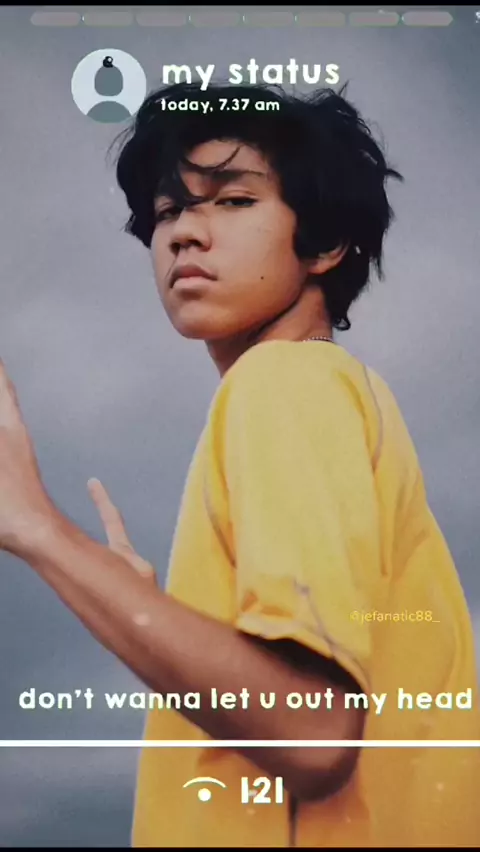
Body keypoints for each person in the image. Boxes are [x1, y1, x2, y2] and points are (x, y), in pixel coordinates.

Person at [0, 81, 478, 848]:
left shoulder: (284, 382)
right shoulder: (333, 396)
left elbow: (313, 736)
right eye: (169, 211)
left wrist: (37, 528)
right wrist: (140, 611)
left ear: (325, 242)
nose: (185, 233)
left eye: (232, 200)